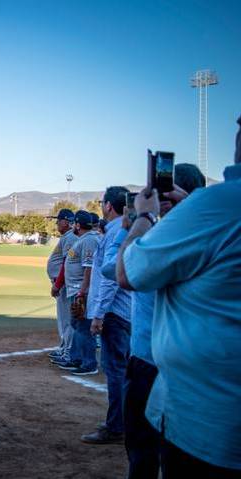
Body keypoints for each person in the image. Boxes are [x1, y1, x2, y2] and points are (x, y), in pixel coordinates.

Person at [117, 116, 241, 477]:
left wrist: (145, 217)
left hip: (208, 424)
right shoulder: (210, 207)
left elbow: (127, 272)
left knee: (144, 456)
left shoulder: (218, 204)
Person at [101, 164, 205, 478]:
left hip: (148, 359)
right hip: (196, 363)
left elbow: (112, 269)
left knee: (143, 453)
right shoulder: (209, 234)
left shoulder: (153, 239)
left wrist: (135, 221)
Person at [82, 186, 132, 445]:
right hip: (127, 312)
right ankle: (123, 422)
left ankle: (116, 426)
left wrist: (99, 315)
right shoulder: (129, 230)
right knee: (125, 371)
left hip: (115, 313)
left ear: (108, 206)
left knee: (115, 371)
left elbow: (110, 279)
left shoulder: (114, 232)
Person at [53, 210, 100, 374]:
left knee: (83, 327)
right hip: (75, 290)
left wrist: (82, 291)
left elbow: (89, 269)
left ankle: (88, 363)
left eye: (74, 223)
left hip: (81, 291)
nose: (73, 226)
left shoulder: (89, 240)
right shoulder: (83, 239)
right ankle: (76, 358)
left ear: (78, 225)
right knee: (76, 325)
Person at [47, 209, 78, 362]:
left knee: (67, 320)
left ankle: (68, 352)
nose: (57, 224)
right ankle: (65, 348)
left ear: (66, 221)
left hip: (65, 284)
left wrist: (58, 284)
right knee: (65, 320)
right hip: (63, 283)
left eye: (58, 221)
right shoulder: (69, 236)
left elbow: (67, 263)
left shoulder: (70, 237)